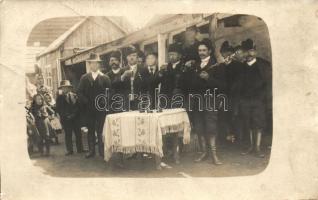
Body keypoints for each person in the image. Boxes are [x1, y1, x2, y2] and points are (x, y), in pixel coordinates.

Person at [188, 39, 225, 165]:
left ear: (209, 51)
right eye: (199, 50)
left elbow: (222, 85)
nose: (201, 53)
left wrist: (208, 78)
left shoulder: (218, 65)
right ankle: (204, 152)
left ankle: (214, 155)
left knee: (211, 127)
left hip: (210, 100)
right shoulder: (194, 66)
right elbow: (190, 85)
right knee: (199, 127)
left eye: (204, 50)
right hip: (197, 101)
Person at [236, 39, 271, 158]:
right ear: (244, 53)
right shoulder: (241, 67)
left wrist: (264, 99)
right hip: (245, 101)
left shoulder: (263, 65)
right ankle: (251, 146)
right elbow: (238, 85)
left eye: (252, 51)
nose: (250, 54)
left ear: (255, 51)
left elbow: (268, 84)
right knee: (249, 123)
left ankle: (258, 147)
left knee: (258, 123)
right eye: (247, 51)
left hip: (259, 100)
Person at [77, 53, 111, 158]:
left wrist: (104, 101)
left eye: (96, 63)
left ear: (99, 65)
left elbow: (109, 92)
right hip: (89, 109)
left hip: (101, 109)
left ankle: (102, 150)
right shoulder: (84, 78)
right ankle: (91, 151)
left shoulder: (105, 78)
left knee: (101, 130)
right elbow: (79, 92)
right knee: (90, 130)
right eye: (92, 63)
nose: (94, 65)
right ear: (89, 65)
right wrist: (85, 101)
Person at [158, 43, 187, 164]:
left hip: (179, 100)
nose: (171, 56)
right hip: (167, 100)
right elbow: (162, 85)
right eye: (169, 54)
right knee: (168, 125)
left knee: (178, 125)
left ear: (179, 55)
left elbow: (186, 84)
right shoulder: (165, 68)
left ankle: (179, 149)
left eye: (173, 54)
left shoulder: (184, 67)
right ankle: (169, 149)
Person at [56, 80, 84, 156]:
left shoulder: (74, 95)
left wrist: (74, 114)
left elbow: (78, 107)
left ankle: (80, 148)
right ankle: (69, 150)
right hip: (66, 119)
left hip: (75, 118)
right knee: (68, 135)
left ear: (69, 88)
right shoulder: (59, 98)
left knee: (78, 134)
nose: (65, 89)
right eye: (63, 88)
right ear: (61, 89)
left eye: (67, 88)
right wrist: (66, 116)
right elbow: (59, 109)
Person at [120, 46, 147, 111]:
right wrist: (123, 76)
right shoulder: (122, 70)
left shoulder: (143, 70)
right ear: (126, 57)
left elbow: (147, 87)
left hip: (140, 102)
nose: (131, 58)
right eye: (129, 56)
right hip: (127, 103)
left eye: (134, 55)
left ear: (137, 57)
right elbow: (117, 85)